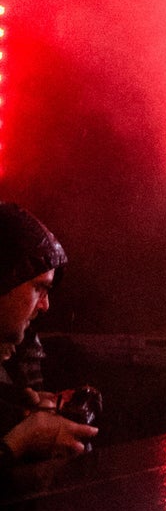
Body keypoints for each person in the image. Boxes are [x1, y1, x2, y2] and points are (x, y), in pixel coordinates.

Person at [0, 204, 98, 476]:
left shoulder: (11, 367)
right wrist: (19, 443)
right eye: (39, 288)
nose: (45, 306)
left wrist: (16, 412)